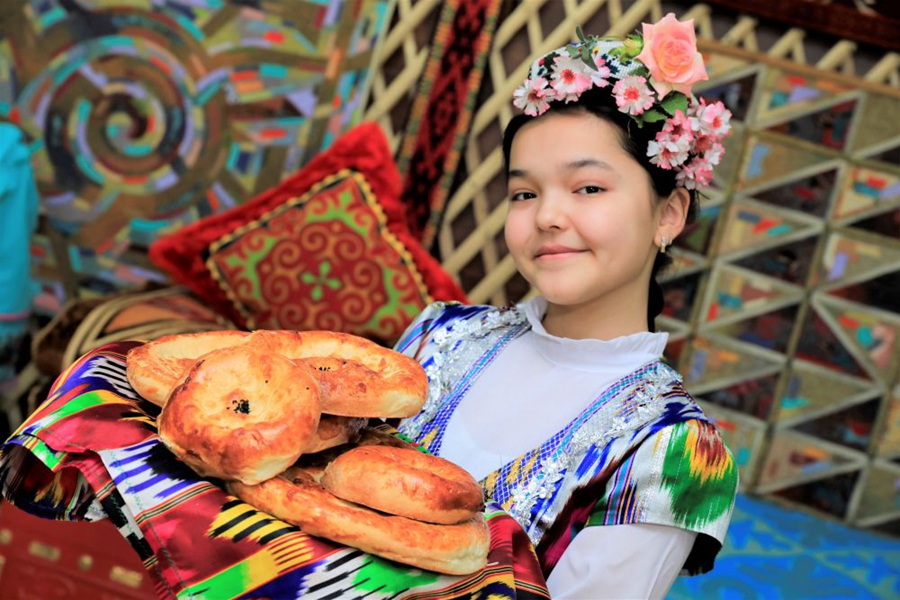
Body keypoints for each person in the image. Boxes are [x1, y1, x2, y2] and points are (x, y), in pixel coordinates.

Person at [393, 13, 739, 600]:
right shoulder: (441, 334)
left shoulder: (674, 450)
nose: (548, 216)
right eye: (524, 193)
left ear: (669, 214)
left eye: (588, 188)